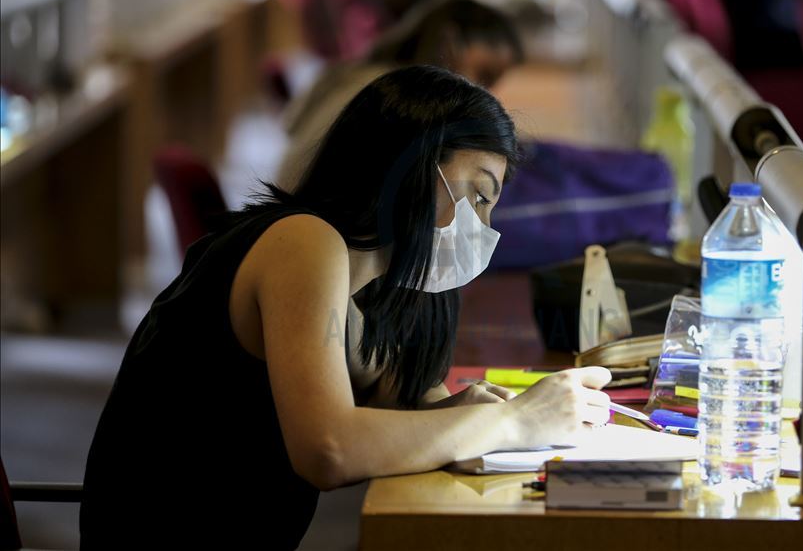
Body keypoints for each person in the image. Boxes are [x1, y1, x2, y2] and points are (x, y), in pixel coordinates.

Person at [80, 65, 611, 549]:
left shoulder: (374, 287)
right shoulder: (304, 243)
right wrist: (517, 421)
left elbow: (398, 408)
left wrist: (456, 413)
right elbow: (329, 450)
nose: (481, 226)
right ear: (407, 169)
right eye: (474, 195)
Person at [278, 0, 523, 190]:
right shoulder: (385, 99)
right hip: (313, 231)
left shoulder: (364, 76)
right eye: (485, 75)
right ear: (450, 44)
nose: (485, 91)